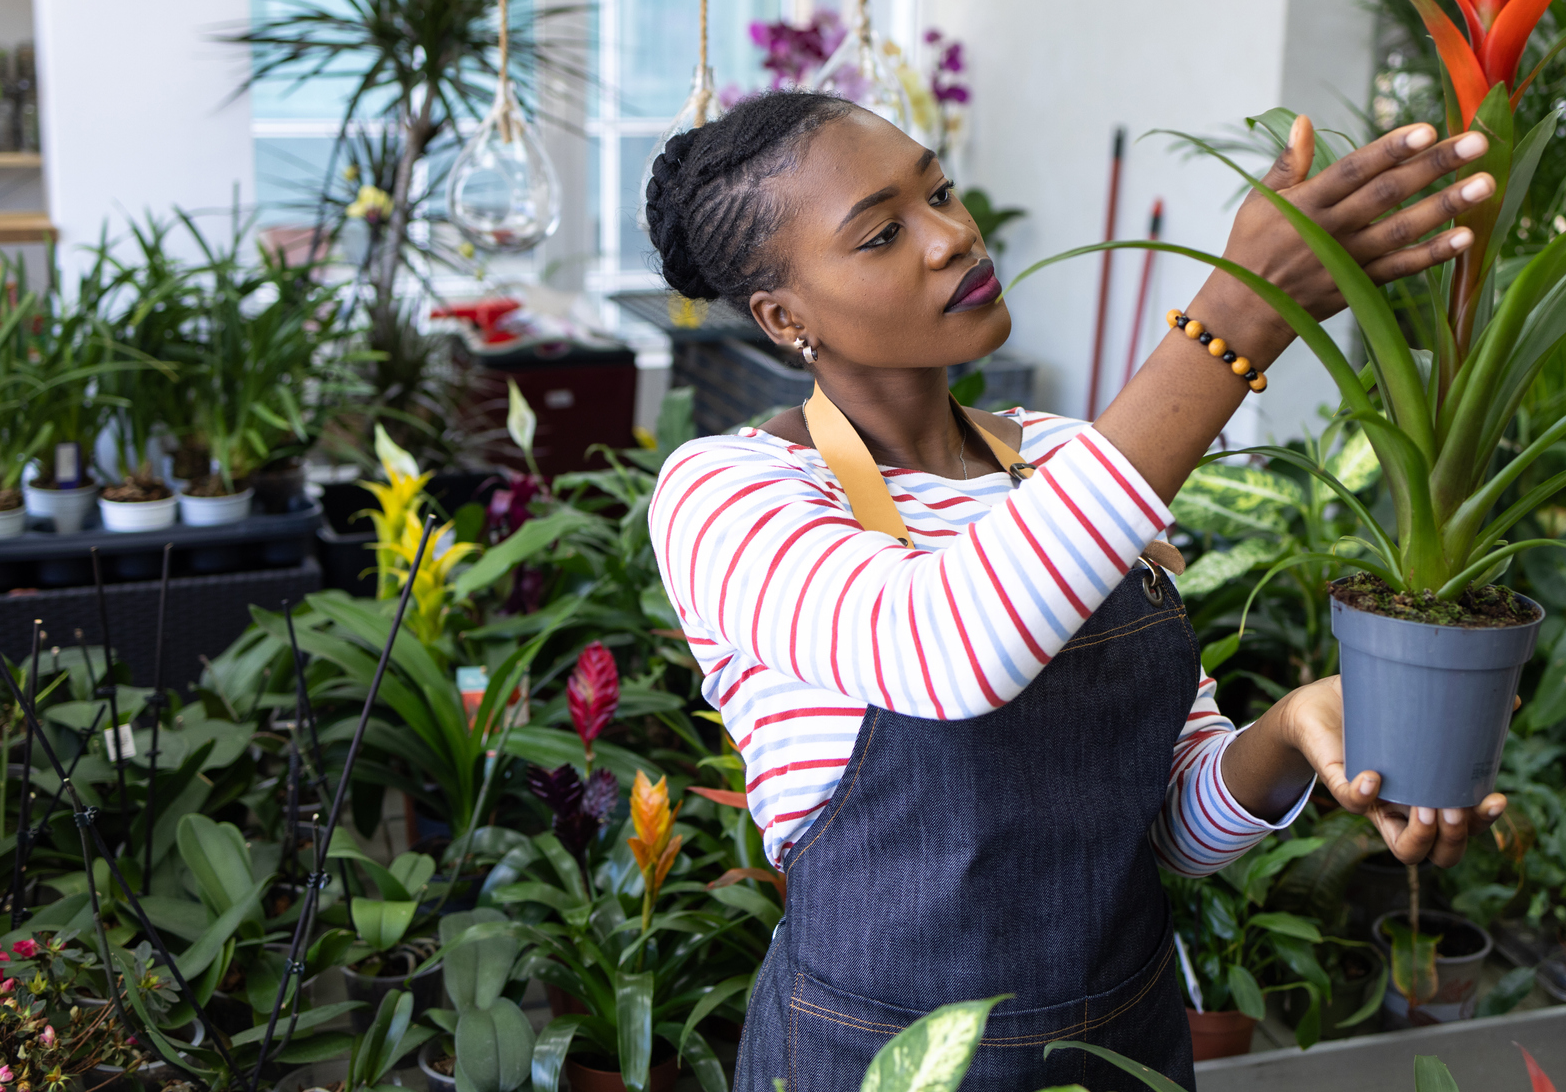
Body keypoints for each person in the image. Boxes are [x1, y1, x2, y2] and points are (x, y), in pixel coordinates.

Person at [644, 92, 1506, 1092]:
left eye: (940, 190)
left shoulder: (1066, 462)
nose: (950, 237)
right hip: (875, 1062)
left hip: (1120, 1046)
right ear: (783, 317)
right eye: (881, 232)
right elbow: (943, 646)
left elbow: (1173, 827)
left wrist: (1293, 731)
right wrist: (1228, 324)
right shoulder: (727, 493)